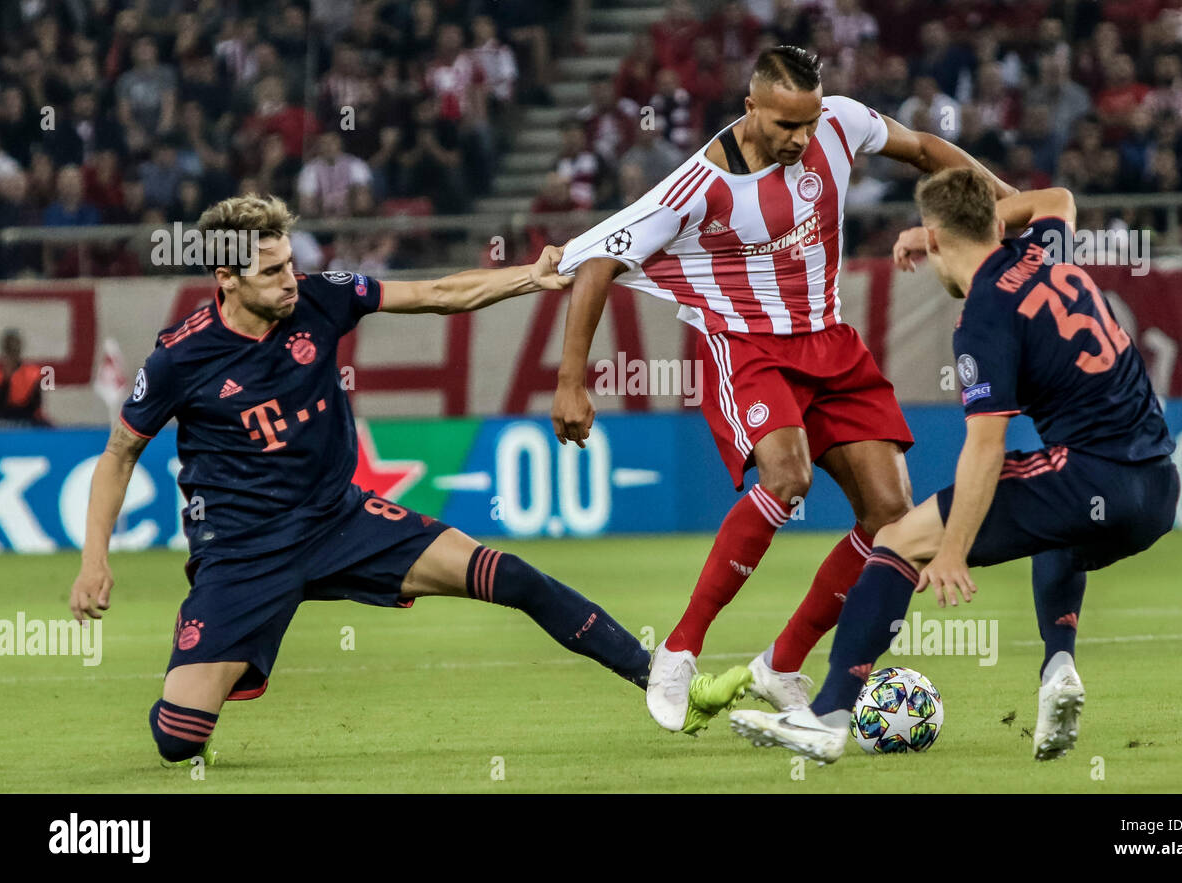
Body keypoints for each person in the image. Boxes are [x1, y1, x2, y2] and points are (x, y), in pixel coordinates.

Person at [67, 194, 746, 768]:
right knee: (177, 739)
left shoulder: (322, 300)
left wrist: (526, 277)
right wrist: (94, 559)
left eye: (290, 264)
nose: (289, 281)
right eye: (271, 271)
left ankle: (656, 676)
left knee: (509, 575)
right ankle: (209, 657)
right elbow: (120, 453)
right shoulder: (180, 356)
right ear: (226, 277)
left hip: (340, 520)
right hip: (242, 552)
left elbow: (436, 294)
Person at [551, 46, 1014, 733]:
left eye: (808, 122)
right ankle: (679, 649)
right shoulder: (699, 184)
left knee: (890, 516)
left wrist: (1004, 201)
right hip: (748, 347)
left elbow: (920, 149)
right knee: (787, 475)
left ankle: (782, 664)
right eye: (784, 126)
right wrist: (571, 383)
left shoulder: (841, 122)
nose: (800, 138)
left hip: (829, 341)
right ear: (751, 108)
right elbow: (594, 267)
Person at [729, 173, 1179, 763]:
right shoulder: (1041, 249)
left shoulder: (983, 318)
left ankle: (829, 716)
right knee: (1061, 524)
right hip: (1157, 488)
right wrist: (943, 227)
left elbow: (986, 448)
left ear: (936, 241)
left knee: (894, 541)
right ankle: (1058, 666)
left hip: (1093, 474)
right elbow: (1057, 200)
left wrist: (950, 549)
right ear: (997, 225)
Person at [0, 329, 48, 424]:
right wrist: (6, 379)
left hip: (26, 417)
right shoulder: (1, 375)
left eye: (15, 348)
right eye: (9, 348)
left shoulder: (33, 373)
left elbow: (35, 406)